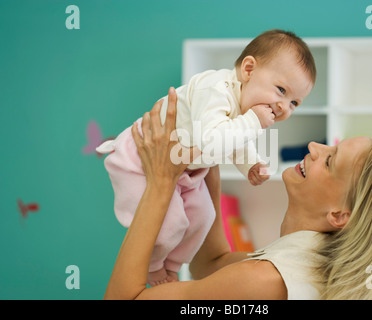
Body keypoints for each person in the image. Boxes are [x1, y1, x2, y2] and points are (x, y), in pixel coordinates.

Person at [104, 88, 372, 300]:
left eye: (330, 162)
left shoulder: (264, 282)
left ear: (340, 215)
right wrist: (211, 152)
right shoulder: (310, 268)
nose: (315, 147)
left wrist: (161, 183)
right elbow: (212, 264)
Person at [97, 29, 316, 286]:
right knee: (171, 223)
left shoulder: (242, 108)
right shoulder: (214, 90)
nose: (283, 107)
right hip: (142, 159)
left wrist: (250, 165)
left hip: (183, 170)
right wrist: (253, 121)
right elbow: (213, 140)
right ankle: (153, 266)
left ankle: (172, 263)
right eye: (281, 90)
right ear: (248, 69)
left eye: (294, 103)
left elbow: (232, 139)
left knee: (204, 216)